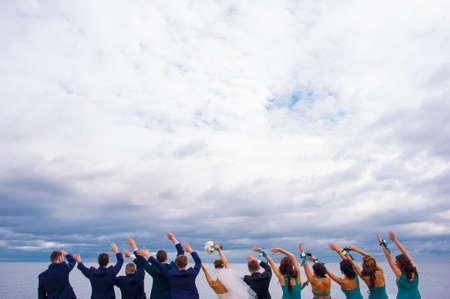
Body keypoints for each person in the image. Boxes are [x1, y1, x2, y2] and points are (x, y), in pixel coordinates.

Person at [128, 233, 184, 299]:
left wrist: (133, 245)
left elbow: (143, 262)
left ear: (157, 259)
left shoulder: (153, 269)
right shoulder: (173, 267)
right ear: (167, 257)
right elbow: (181, 252)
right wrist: (173, 238)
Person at [137, 243, 201, 299]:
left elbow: (159, 265)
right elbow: (198, 262)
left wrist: (147, 255)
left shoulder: (170, 274)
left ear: (176, 264)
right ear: (187, 263)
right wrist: (191, 251)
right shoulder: (192, 273)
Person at [378, 232, 421, 299]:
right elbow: (405, 253)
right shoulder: (415, 270)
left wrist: (382, 244)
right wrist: (395, 240)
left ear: (401, 264)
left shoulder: (399, 274)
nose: (395, 263)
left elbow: (388, 258)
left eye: (396, 262)